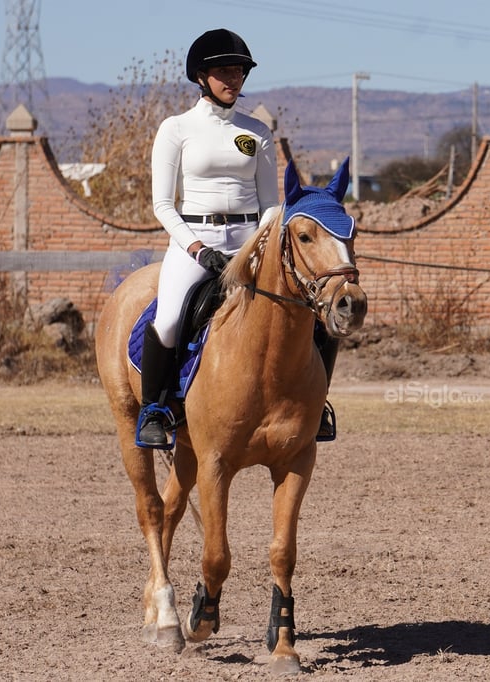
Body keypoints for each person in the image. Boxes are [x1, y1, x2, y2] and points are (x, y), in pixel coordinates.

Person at [137, 28, 278, 449]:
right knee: (168, 320)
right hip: (194, 240)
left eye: (239, 71)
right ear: (201, 77)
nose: (233, 79)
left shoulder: (257, 132)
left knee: (304, 306)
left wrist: (260, 246)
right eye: (224, 72)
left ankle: (314, 402)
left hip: (250, 241)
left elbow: (271, 203)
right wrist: (198, 249)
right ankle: (154, 409)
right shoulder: (176, 128)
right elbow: (163, 204)